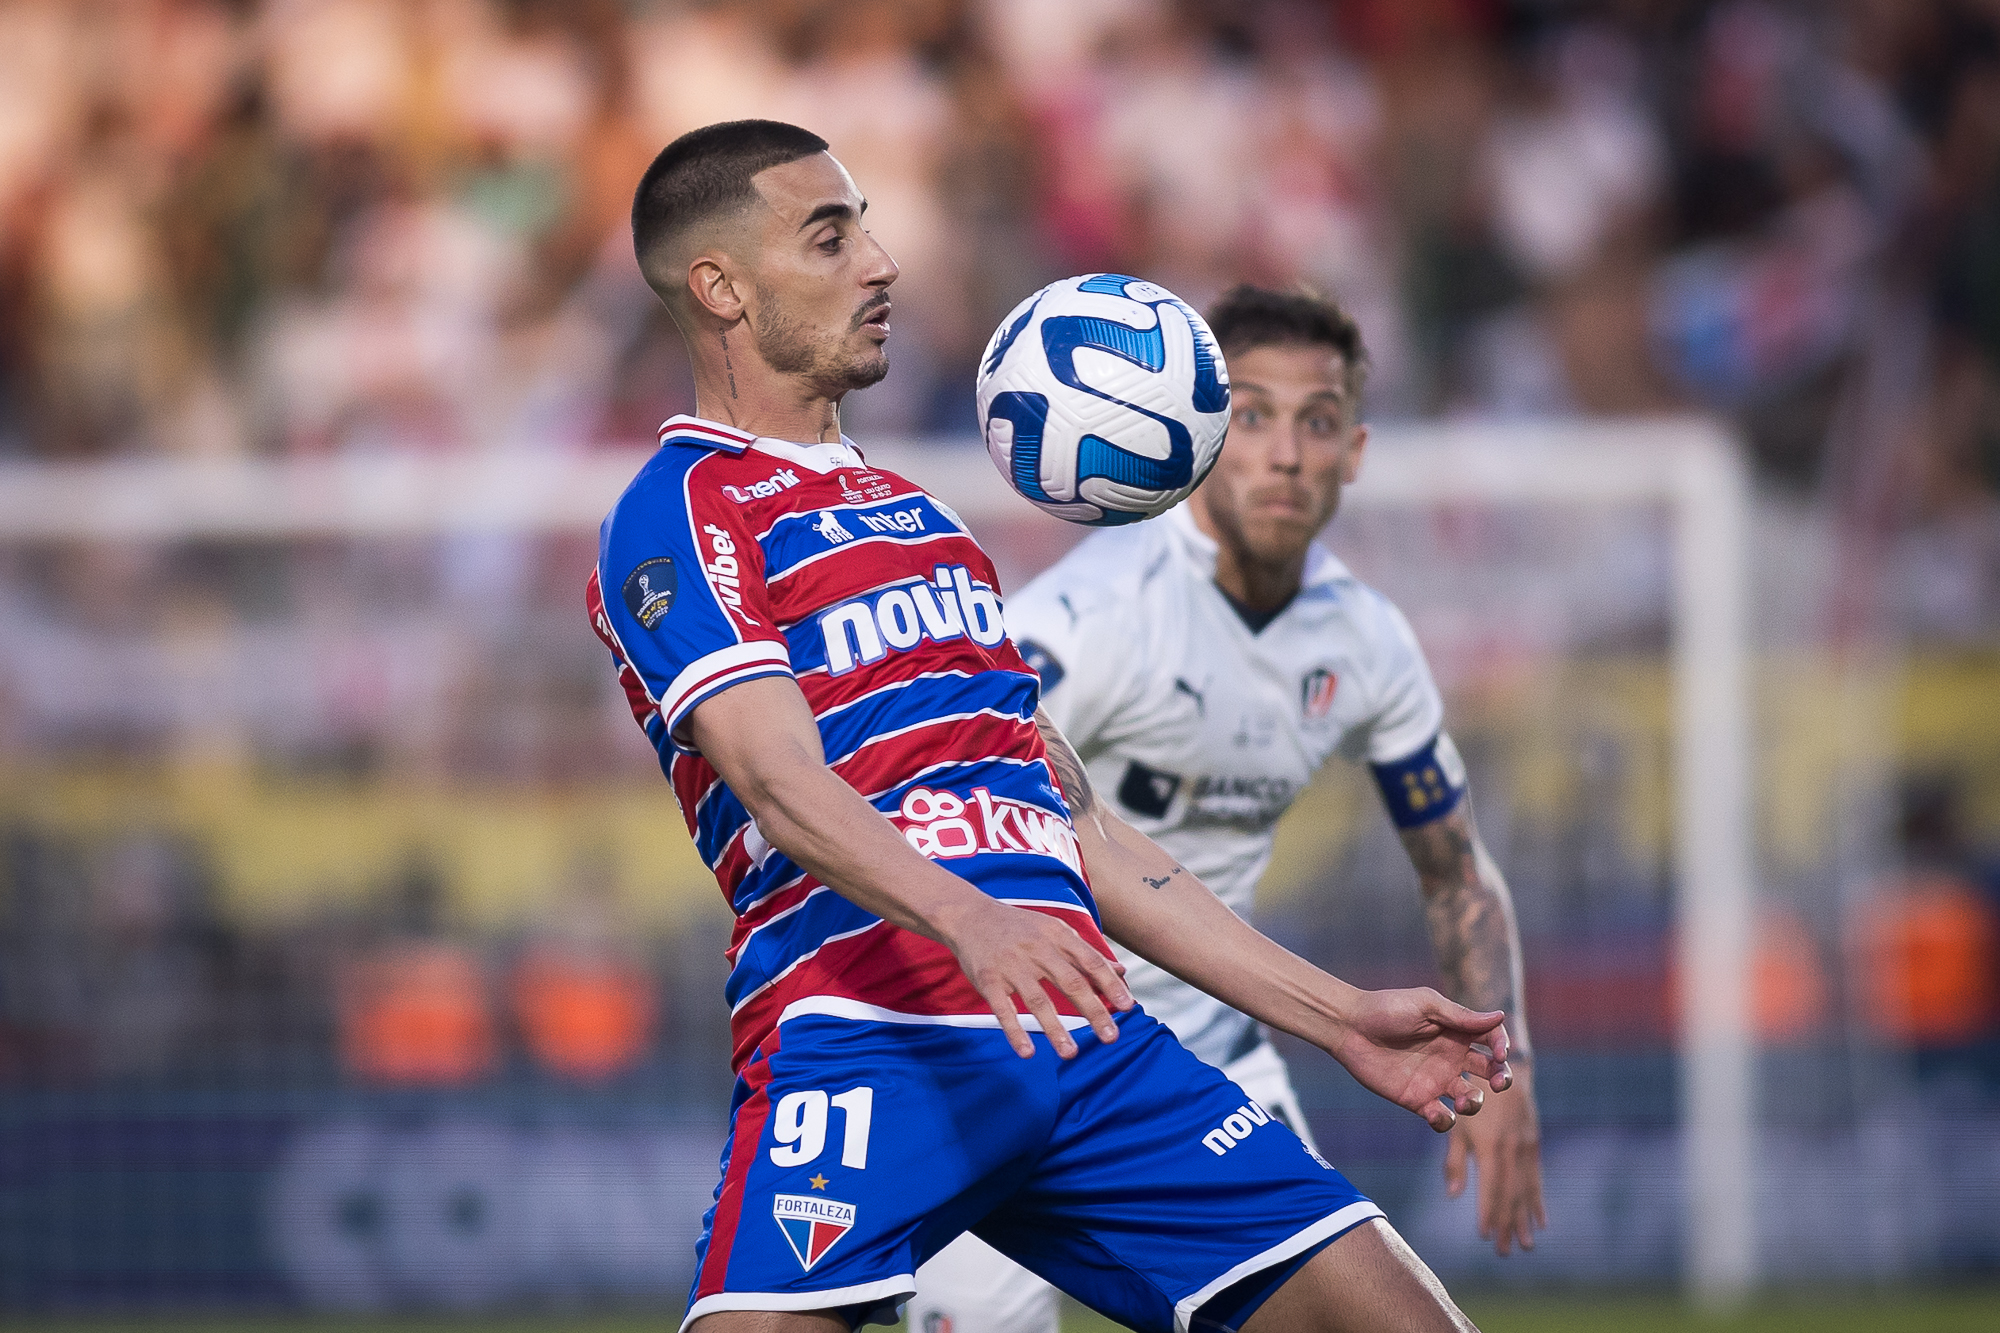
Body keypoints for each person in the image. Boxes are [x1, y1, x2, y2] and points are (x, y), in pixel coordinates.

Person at [588, 119, 1516, 1333]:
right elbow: (775, 783)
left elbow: (1074, 826)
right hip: (875, 1032)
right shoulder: (677, 510)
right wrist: (975, 919)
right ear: (719, 287)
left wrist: (1339, 1017)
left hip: (1083, 1040)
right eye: (830, 235)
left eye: (866, 225)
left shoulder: (920, 520)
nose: (879, 263)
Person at [909, 287, 1546, 1333]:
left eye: (1317, 420)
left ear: (1354, 450)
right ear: (1198, 433)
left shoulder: (1367, 639)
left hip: (1214, 1054)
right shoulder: (1089, 615)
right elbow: (940, 799)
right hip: (1023, 1067)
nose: (1286, 453)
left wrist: (1505, 1068)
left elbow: (1455, 872)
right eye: (1250, 415)